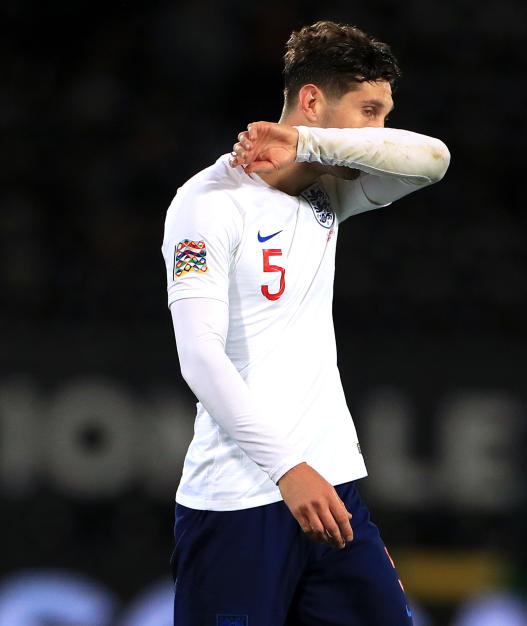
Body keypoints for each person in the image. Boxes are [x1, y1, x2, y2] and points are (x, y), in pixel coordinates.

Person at [160, 20, 450, 626]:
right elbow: (199, 358)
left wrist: (314, 147)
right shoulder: (209, 203)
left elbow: (432, 160)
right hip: (242, 501)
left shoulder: (330, 191)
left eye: (385, 115)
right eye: (367, 111)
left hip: (332, 490)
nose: (379, 134)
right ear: (312, 100)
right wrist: (288, 470)